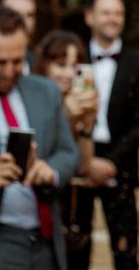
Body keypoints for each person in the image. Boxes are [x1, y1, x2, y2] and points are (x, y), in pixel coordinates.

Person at [0, 4, 79, 270]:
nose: (9, 71)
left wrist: (50, 171)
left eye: (18, 60)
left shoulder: (46, 91)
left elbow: (69, 153)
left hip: (46, 241)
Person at [70, 0, 139, 270]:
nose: (113, 19)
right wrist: (84, 160)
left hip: (120, 165)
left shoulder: (138, 63)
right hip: (78, 161)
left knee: (125, 250)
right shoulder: (73, 58)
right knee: (76, 247)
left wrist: (111, 163)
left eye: (118, 13)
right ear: (89, 16)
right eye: (106, 12)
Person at [32, 30, 99, 264]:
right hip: (39, 205)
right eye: (61, 65)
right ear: (45, 65)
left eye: (75, 66)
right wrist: (64, 115)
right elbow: (37, 154)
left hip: (73, 205)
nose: (68, 74)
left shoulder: (80, 101)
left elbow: (85, 166)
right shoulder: (31, 98)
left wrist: (87, 126)